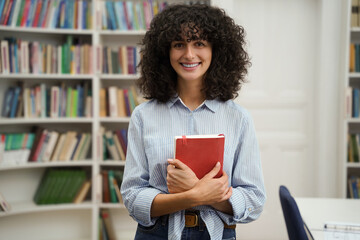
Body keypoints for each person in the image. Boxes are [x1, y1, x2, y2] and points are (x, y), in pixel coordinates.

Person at [120, 3, 266, 240]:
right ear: (165, 52)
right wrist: (195, 195)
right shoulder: (143, 116)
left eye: (199, 43)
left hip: (216, 233)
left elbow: (254, 201)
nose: (189, 54)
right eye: (179, 44)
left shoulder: (238, 119)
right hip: (157, 233)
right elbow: (133, 197)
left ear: (215, 50)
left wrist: (199, 190)